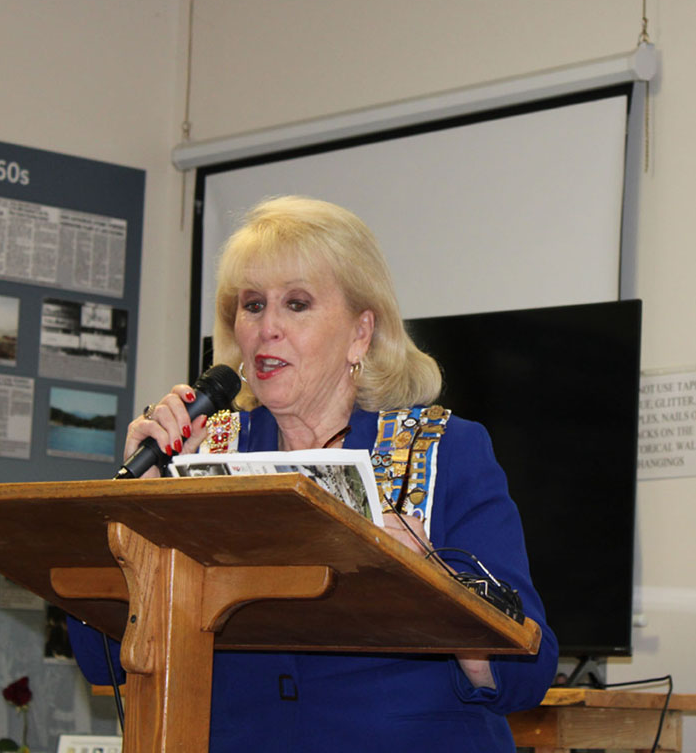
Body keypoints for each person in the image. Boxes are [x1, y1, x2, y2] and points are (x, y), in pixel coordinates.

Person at [68, 196, 558, 751]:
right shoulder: (198, 458)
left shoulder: (447, 450)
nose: (266, 328)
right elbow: (102, 658)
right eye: (252, 305)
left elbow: (527, 672)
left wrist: (433, 582)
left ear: (359, 332)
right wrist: (138, 508)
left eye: (296, 304)